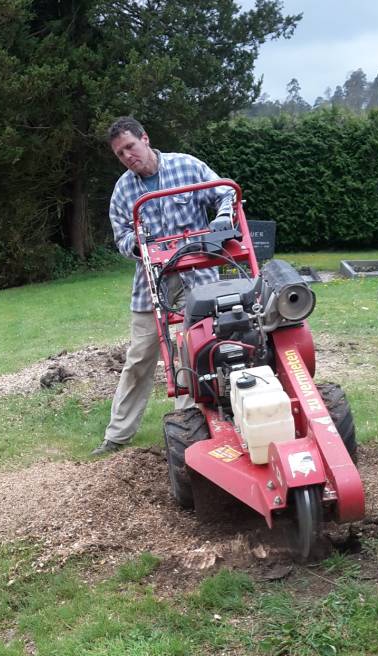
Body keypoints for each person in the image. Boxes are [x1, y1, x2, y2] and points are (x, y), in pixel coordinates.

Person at [92, 117, 234, 455]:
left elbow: (226, 192)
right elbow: (122, 237)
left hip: (197, 276)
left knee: (194, 348)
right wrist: (140, 246)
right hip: (152, 282)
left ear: (145, 139)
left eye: (130, 147)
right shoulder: (124, 190)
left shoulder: (187, 167)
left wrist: (221, 220)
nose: (127, 156)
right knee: (140, 356)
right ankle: (117, 434)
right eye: (119, 153)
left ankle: (188, 424)